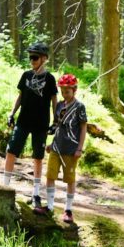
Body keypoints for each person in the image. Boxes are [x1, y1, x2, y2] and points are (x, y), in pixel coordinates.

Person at [2, 42, 58, 207]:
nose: (32, 60)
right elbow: (20, 96)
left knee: (38, 157)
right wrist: (12, 113)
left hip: (41, 124)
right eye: (30, 57)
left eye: (35, 57)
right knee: (11, 150)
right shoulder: (26, 75)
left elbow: (54, 101)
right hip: (23, 121)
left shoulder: (50, 79)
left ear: (44, 59)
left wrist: (56, 122)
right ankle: (5, 187)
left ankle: (36, 193)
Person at [36, 72, 88, 224]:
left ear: (74, 90)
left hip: (71, 150)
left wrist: (79, 148)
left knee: (70, 179)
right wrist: (51, 143)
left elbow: (83, 127)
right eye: (62, 91)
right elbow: (57, 126)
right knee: (50, 176)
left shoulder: (79, 107)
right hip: (56, 148)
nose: (65, 94)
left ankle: (68, 210)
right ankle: (50, 206)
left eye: (67, 91)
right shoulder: (59, 105)